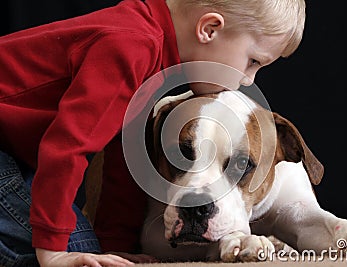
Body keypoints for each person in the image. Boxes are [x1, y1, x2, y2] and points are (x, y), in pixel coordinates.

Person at [0, 0, 305, 266]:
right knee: (71, 250)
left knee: (92, 253)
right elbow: (66, 146)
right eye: (252, 62)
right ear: (210, 29)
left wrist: (116, 247)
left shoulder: (155, 69)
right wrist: (52, 250)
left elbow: (123, 161)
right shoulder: (130, 47)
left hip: (14, 156)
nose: (248, 80)